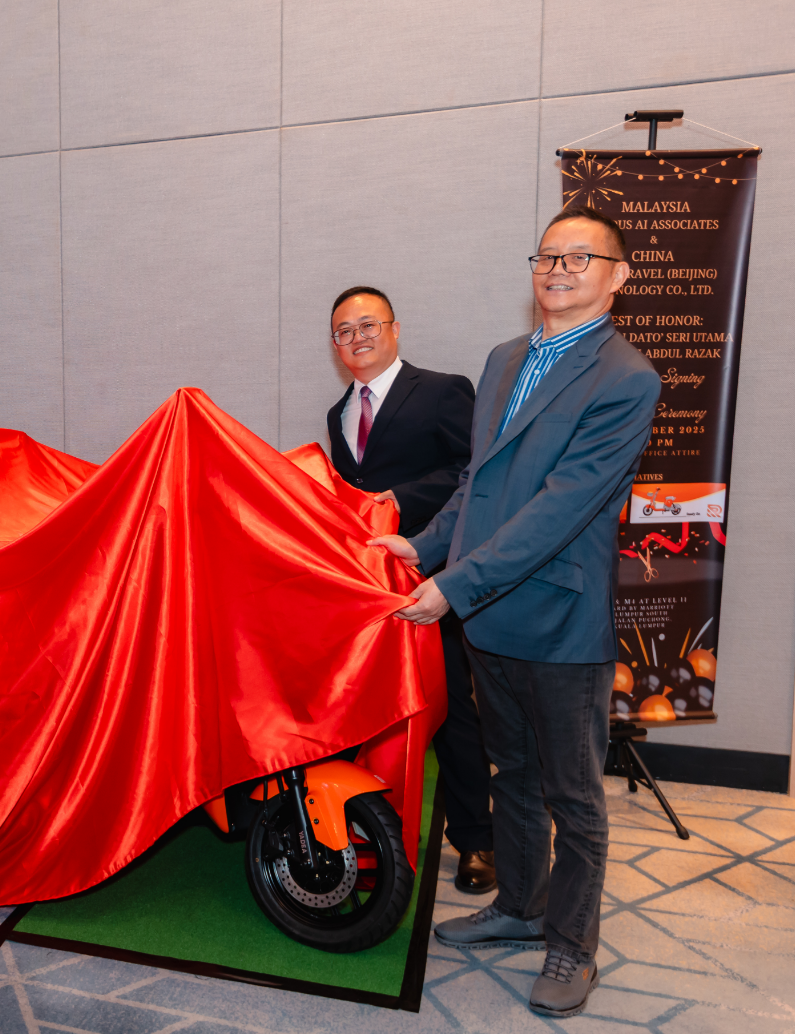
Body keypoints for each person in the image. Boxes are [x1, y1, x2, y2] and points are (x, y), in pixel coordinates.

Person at [371, 207, 660, 1018]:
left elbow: (562, 506)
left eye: (579, 257)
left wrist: (455, 584)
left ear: (618, 277)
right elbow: (480, 482)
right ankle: (521, 907)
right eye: (547, 256)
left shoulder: (627, 378)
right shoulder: (505, 358)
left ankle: (572, 944)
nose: (557, 269)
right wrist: (423, 546)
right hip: (490, 616)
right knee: (514, 777)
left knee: (574, 794)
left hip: (559, 620)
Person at [324, 286, 496, 894]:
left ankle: (477, 840)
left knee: (450, 707)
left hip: (434, 573)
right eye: (344, 331)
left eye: (368, 325)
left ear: (395, 329)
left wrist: (401, 499)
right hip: (372, 584)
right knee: (373, 703)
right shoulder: (338, 414)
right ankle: (371, 828)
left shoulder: (443, 390)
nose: (357, 338)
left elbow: (474, 470)